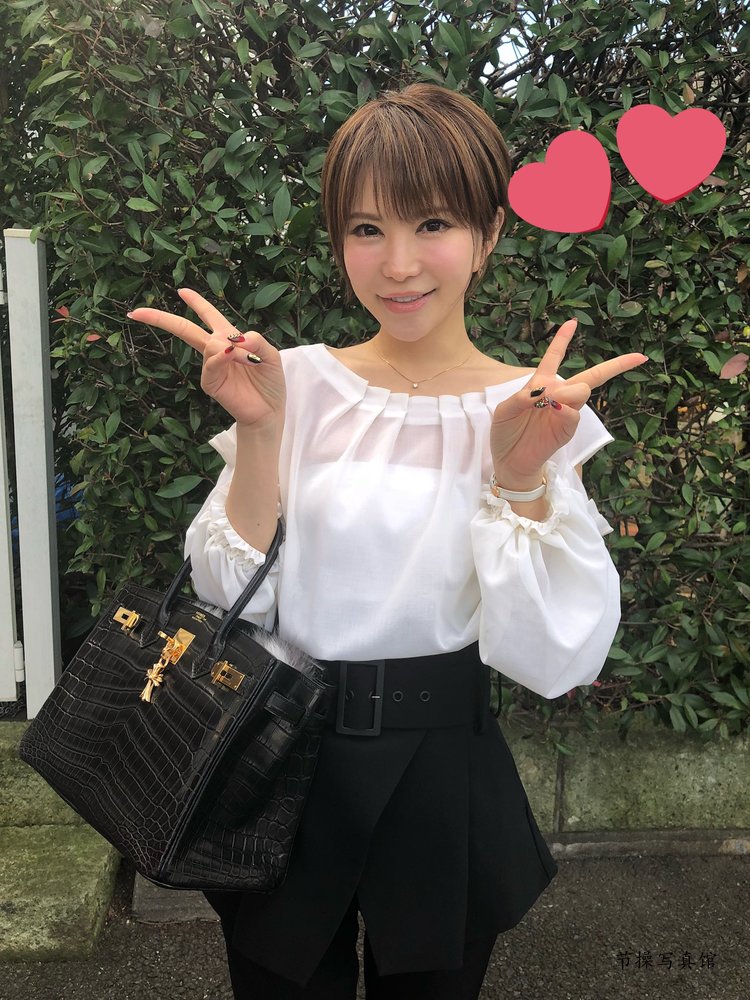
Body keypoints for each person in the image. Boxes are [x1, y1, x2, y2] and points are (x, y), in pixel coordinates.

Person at [126, 82, 647, 999]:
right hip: (277, 743)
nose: (399, 264)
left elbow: (555, 651)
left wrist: (520, 481)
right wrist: (259, 430)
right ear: (339, 241)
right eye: (367, 229)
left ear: (488, 233)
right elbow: (227, 596)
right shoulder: (291, 381)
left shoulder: (534, 407)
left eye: (432, 223)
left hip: (444, 761)